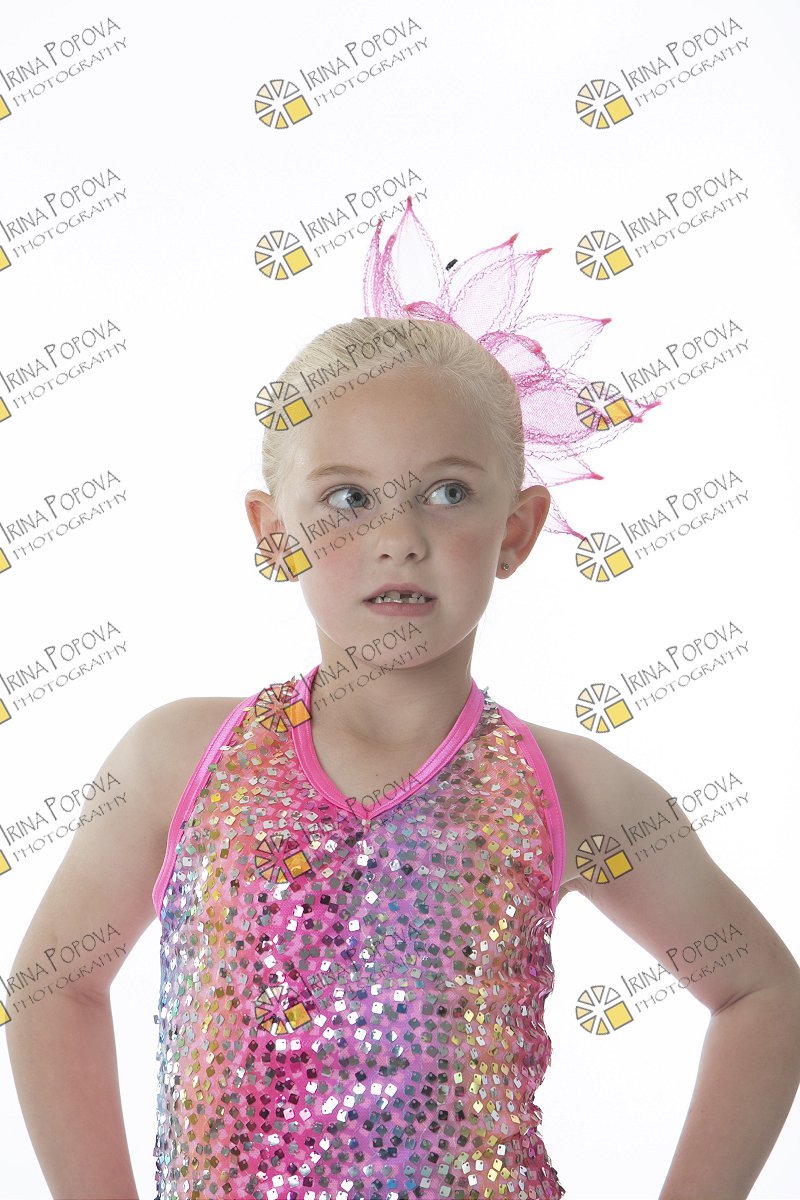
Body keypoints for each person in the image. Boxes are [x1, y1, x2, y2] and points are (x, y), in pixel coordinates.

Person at [7, 290, 800, 1198]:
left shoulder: (573, 789)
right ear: (275, 535)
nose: (399, 539)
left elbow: (762, 995)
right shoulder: (178, 761)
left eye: (447, 494)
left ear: (516, 531)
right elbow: (53, 987)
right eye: (348, 498)